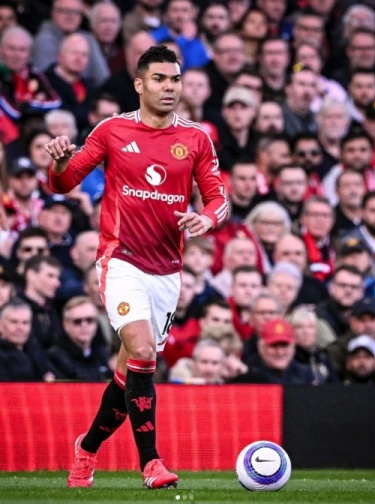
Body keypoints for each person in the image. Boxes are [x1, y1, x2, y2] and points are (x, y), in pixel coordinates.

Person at [45, 44, 228, 489]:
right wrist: (61, 161)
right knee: (143, 350)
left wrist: (206, 219)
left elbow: (218, 198)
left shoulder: (196, 139)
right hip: (121, 259)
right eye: (160, 79)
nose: (170, 87)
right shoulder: (112, 130)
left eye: (175, 79)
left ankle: (86, 449)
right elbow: (65, 183)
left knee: (131, 371)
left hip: (167, 270)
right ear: (140, 84)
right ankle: (152, 464)